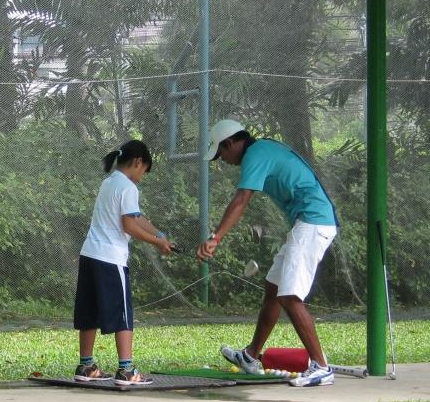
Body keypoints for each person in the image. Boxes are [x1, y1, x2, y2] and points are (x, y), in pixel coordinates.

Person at [197, 119, 339, 387]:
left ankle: (321, 367)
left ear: (230, 143)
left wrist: (215, 238)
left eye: (221, 153)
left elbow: (242, 200)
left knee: (290, 296)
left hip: (313, 222)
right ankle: (250, 356)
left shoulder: (255, 154)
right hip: (306, 222)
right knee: (274, 288)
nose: (222, 160)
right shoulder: (260, 150)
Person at [74, 139, 174, 387]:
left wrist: (160, 234)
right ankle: (127, 370)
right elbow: (129, 225)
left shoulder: (109, 182)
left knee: (89, 311)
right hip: (111, 259)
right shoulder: (128, 187)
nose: (142, 177)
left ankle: (86, 366)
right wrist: (157, 243)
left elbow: (136, 217)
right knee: (124, 314)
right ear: (138, 162)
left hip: (90, 254)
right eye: (144, 171)